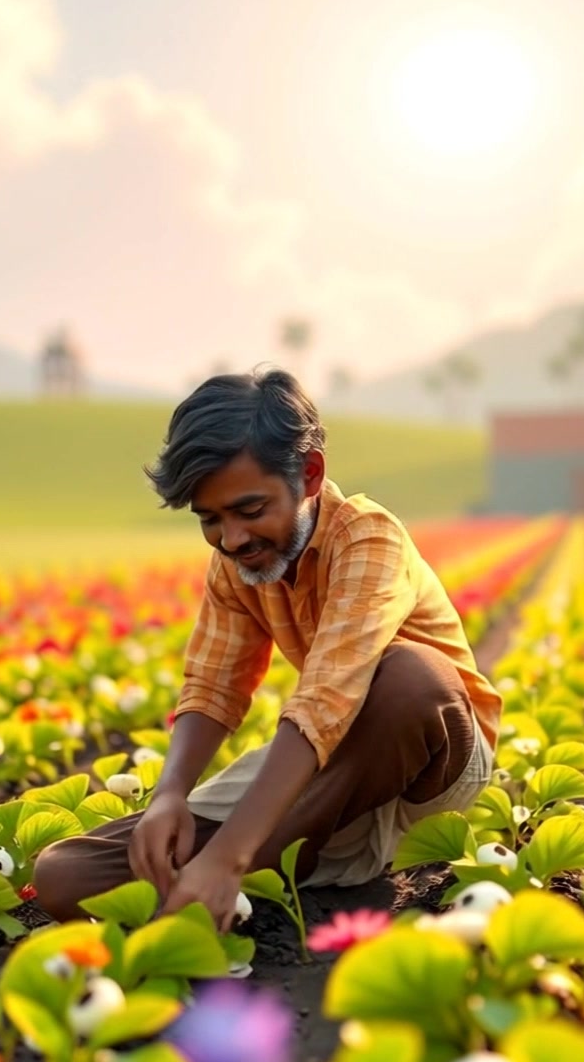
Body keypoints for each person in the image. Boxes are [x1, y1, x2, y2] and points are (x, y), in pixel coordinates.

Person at [34, 368, 501, 931]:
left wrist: (228, 853)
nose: (232, 539)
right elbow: (213, 686)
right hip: (331, 780)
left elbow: (330, 695)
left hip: (430, 766)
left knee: (411, 676)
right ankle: (275, 873)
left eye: (250, 511)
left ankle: (233, 877)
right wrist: (169, 795)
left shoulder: (368, 538)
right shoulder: (237, 564)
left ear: (308, 474)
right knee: (66, 874)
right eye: (210, 520)